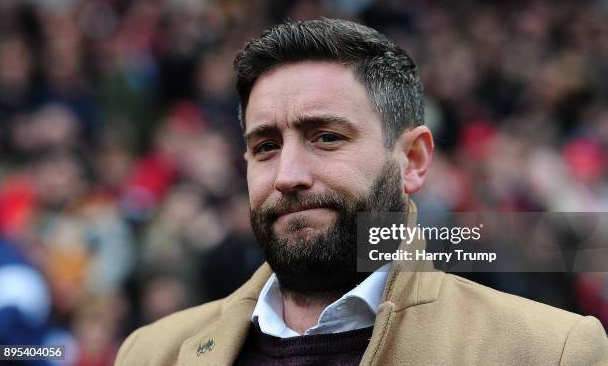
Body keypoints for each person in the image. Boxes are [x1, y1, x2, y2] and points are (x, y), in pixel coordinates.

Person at [114, 18, 608, 365]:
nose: (288, 174)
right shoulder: (152, 354)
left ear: (412, 160)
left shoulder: (549, 351)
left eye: (326, 137)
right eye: (265, 146)